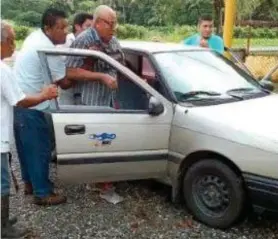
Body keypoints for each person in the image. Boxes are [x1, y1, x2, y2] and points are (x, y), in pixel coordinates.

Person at [1, 20, 58, 238]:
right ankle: (3, 228)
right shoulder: (3, 70)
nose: (14, 46)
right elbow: (21, 100)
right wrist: (45, 95)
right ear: (3, 42)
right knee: (2, 183)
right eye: (12, 41)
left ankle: (3, 220)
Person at [13, 8, 72, 206]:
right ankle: (43, 193)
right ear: (48, 29)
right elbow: (64, 82)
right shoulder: (49, 49)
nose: (66, 31)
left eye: (67, 26)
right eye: (61, 27)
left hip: (21, 103)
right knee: (39, 150)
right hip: (35, 105)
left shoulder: (34, 37)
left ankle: (30, 183)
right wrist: (93, 75)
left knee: (26, 148)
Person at [66, 5, 120, 106]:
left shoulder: (113, 41)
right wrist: (101, 77)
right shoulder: (84, 40)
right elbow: (70, 72)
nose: (114, 28)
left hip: (108, 101)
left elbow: (120, 66)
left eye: (115, 23)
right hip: (88, 103)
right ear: (98, 23)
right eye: (111, 24)